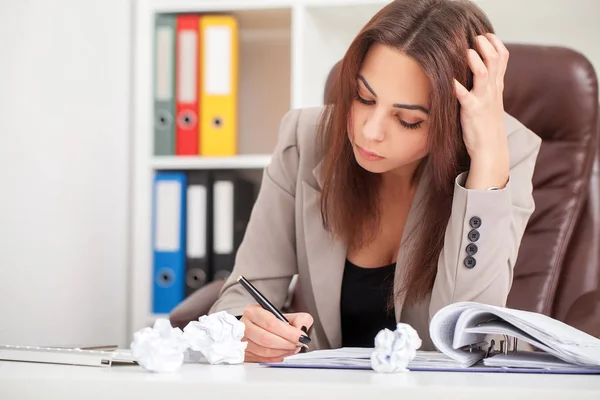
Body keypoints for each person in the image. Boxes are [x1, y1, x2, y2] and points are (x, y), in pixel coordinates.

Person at [209, 0, 542, 363]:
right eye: (363, 97)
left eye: (408, 119)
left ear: (454, 120)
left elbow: (472, 338)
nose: (370, 131)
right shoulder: (305, 139)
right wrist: (244, 329)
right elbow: (240, 298)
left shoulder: (503, 152)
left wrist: (487, 163)